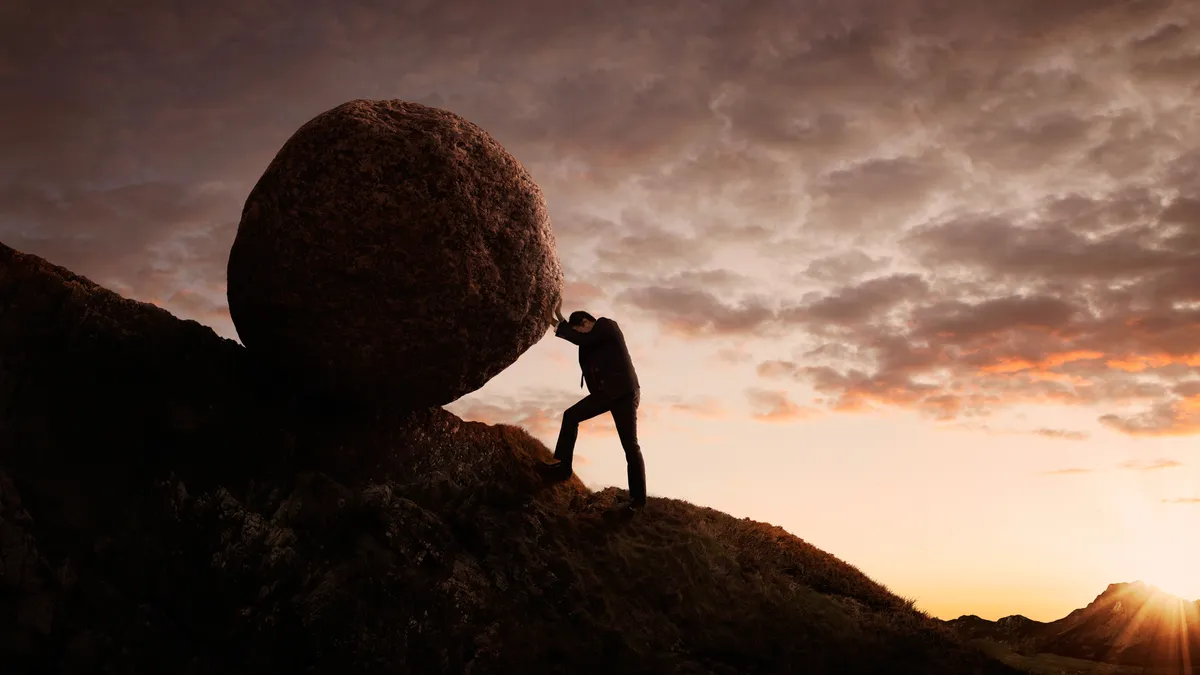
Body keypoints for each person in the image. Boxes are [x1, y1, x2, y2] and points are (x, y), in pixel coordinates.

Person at [541, 300, 647, 512]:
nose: (580, 333)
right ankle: (563, 468)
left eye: (580, 328)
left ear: (588, 321)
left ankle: (638, 500)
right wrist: (561, 319)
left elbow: (582, 338)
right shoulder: (589, 339)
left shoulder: (607, 326)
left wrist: (554, 322)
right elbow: (580, 338)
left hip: (624, 393)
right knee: (571, 416)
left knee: (630, 446)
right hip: (605, 394)